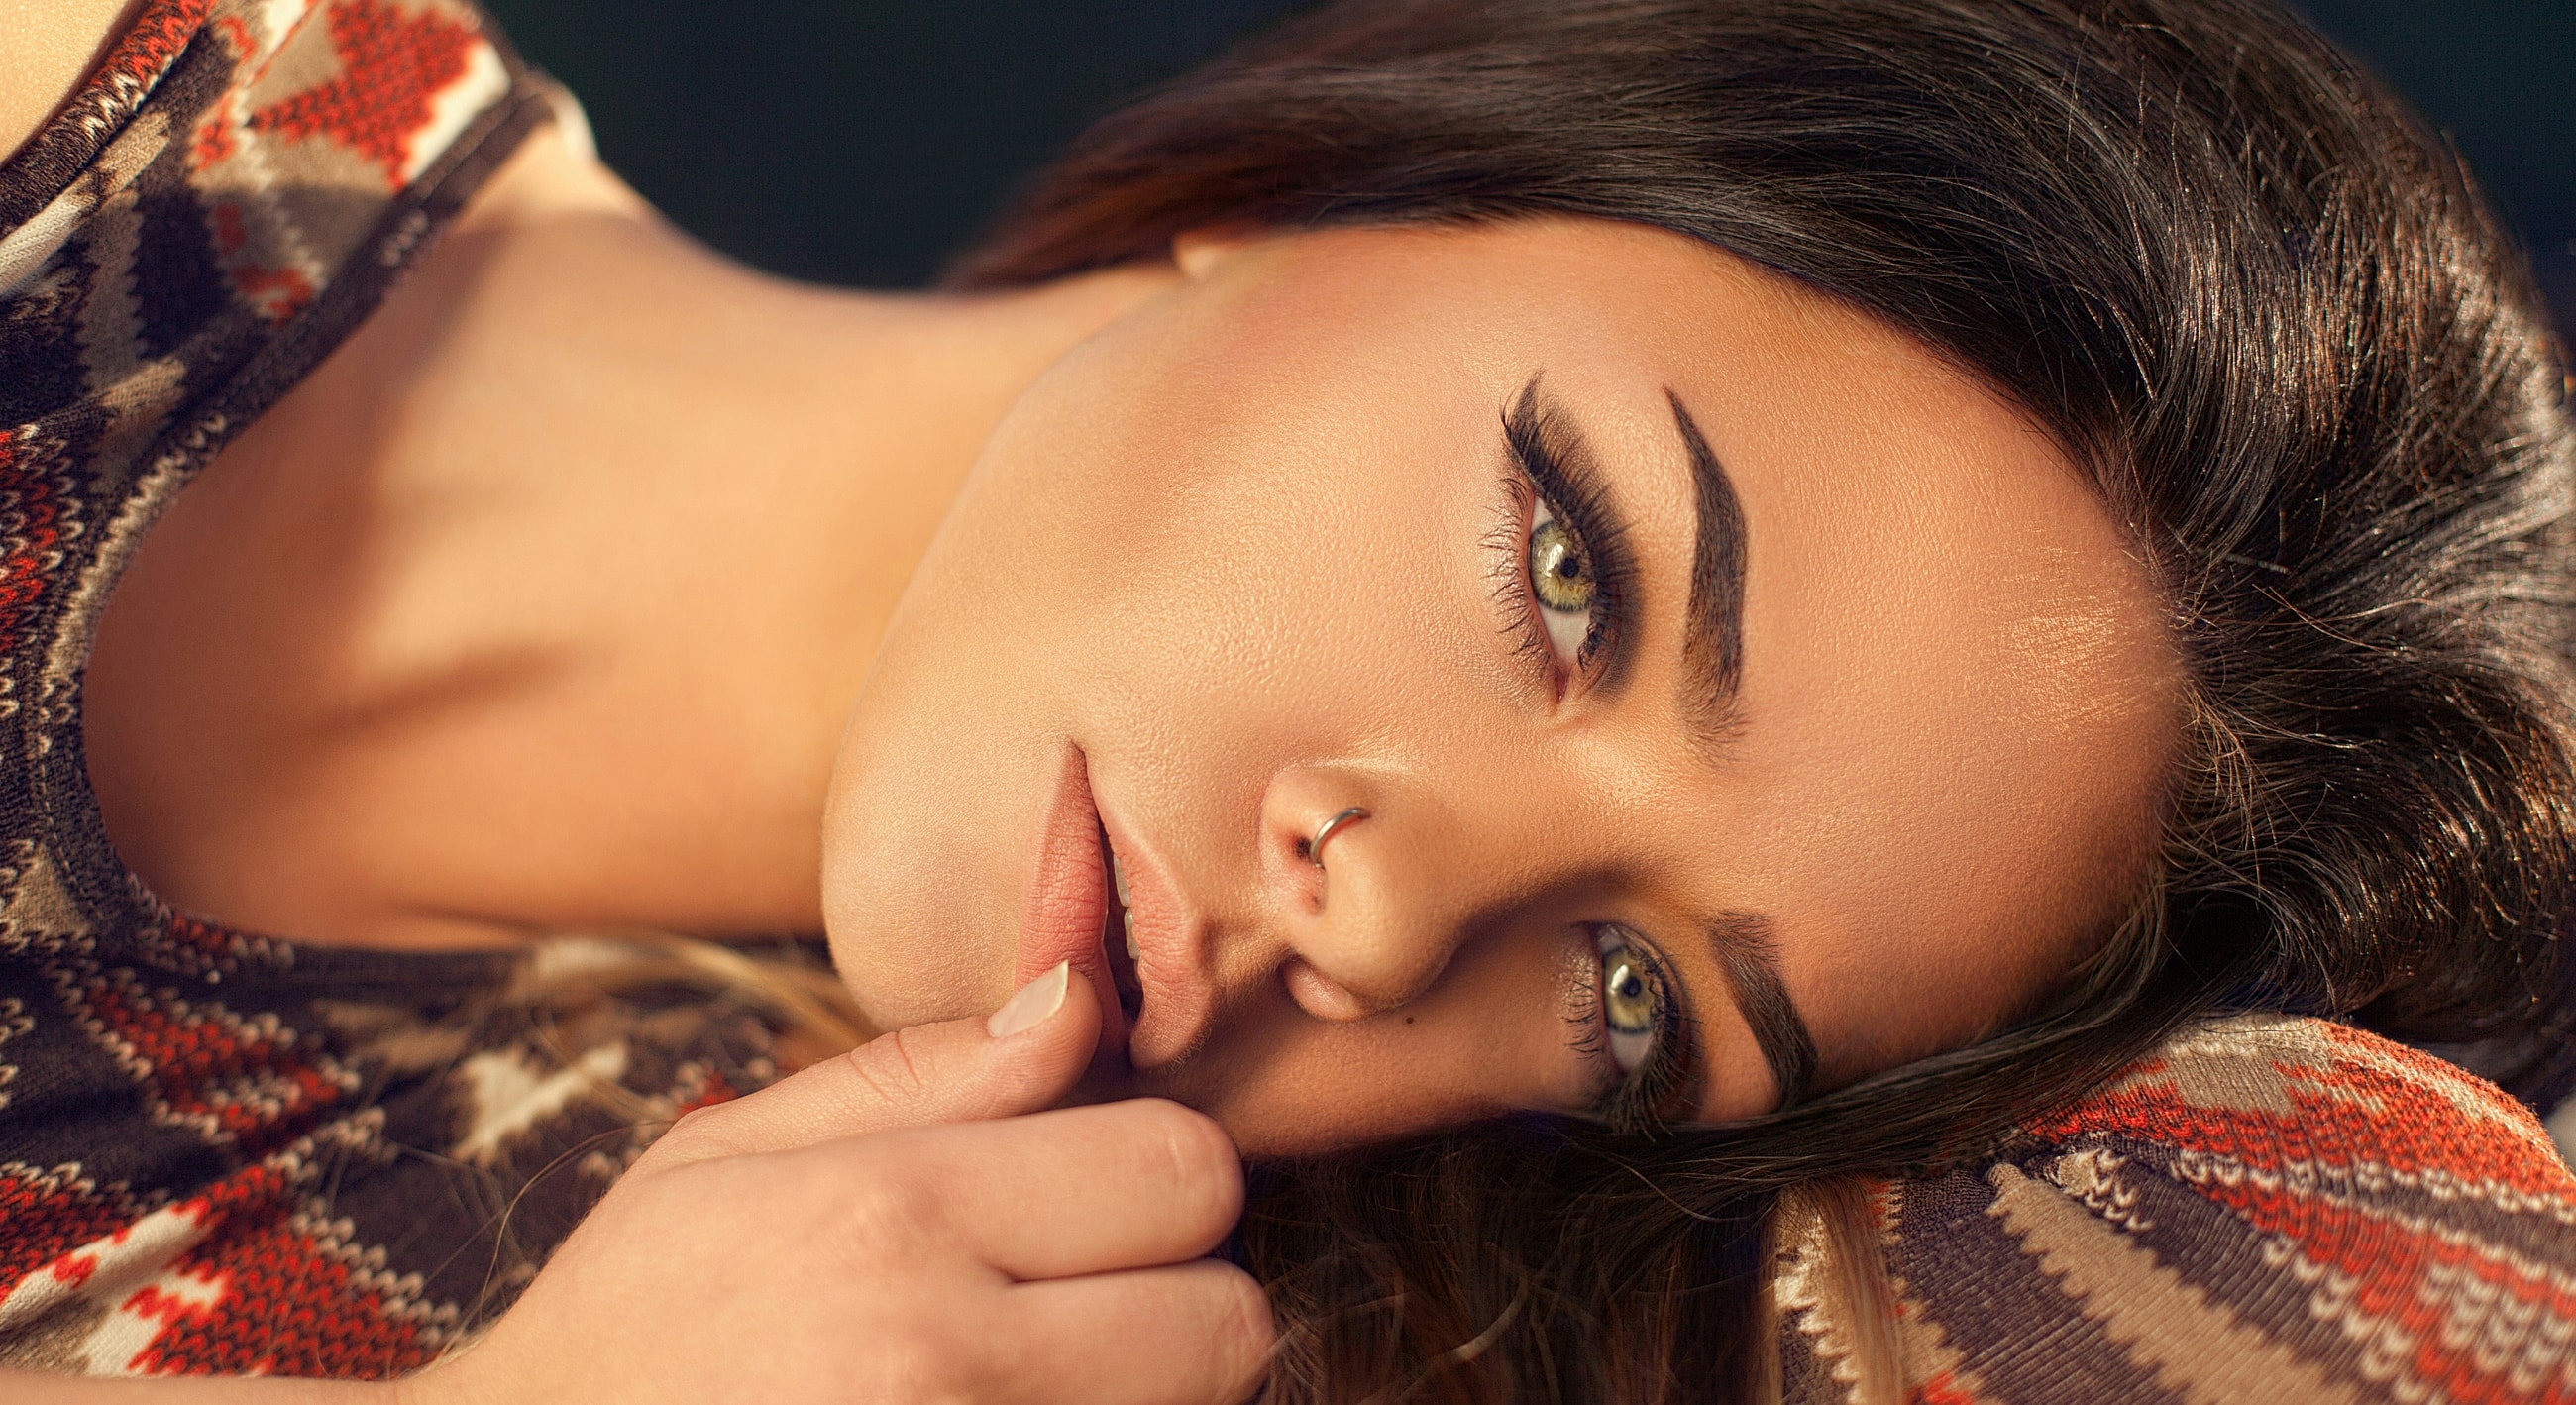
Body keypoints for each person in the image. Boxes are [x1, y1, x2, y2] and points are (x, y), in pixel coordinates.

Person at [2, 0, 2571, 1399]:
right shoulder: (111, 96)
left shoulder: (795, 1326)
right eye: (1569, 570)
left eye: (1632, 992)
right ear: (1351, 184)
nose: (1400, 910)